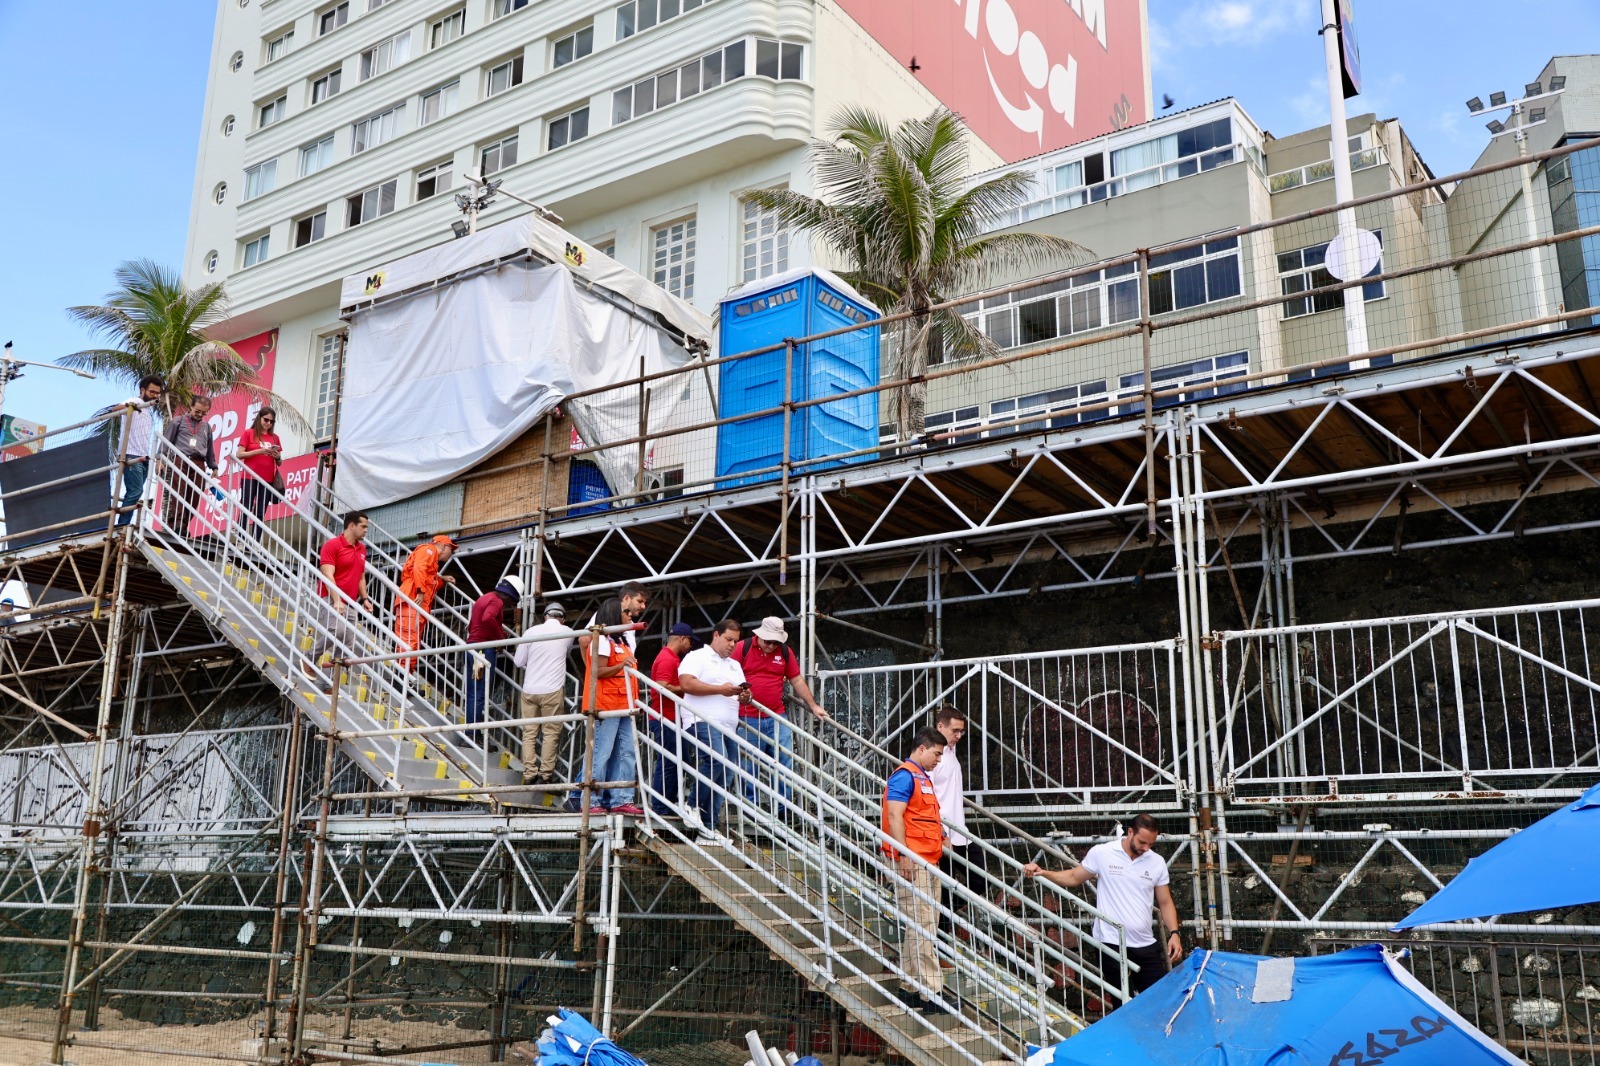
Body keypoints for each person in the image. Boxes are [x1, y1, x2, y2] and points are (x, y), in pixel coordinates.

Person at [1022, 814, 1183, 1000]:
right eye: (1142, 842)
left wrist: (1175, 934)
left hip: (1145, 943)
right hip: (1111, 941)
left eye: (1151, 844)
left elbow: (1165, 901)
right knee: (1123, 1002)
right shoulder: (1102, 852)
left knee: (1159, 1001)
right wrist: (1043, 873)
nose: (1146, 848)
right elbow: (1074, 877)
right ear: (1130, 832)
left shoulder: (1157, 862)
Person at [881, 727, 950, 1015]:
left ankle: (909, 987)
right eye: (936, 753)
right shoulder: (905, 775)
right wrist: (903, 856)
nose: (939, 760)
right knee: (922, 926)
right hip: (913, 861)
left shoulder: (921, 777)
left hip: (927, 860)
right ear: (921, 749)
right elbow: (894, 814)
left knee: (923, 926)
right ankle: (932, 992)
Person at [734, 617, 828, 815]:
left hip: (776, 715)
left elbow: (796, 680)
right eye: (767, 641)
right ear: (758, 635)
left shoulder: (785, 652)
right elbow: (726, 675)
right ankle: (751, 810)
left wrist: (813, 706)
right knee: (749, 764)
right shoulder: (742, 648)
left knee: (784, 761)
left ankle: (784, 810)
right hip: (746, 716)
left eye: (775, 642)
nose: (770, 645)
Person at [564, 597, 642, 816]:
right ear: (613, 615)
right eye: (626, 612)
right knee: (602, 753)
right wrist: (620, 665)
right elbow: (597, 671)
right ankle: (592, 801)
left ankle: (621, 799)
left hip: (625, 704)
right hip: (606, 705)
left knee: (626, 752)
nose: (630, 615)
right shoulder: (603, 641)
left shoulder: (622, 642)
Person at [677, 619, 748, 844]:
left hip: (728, 725)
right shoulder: (696, 656)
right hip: (701, 719)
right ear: (716, 635)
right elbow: (686, 684)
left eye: (735, 641)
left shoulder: (734, 665)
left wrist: (746, 696)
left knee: (726, 773)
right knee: (717, 762)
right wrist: (721, 690)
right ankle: (691, 805)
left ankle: (708, 828)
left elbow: (739, 691)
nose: (732, 645)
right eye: (728, 639)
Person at [304, 511, 373, 692]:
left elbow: (360, 577)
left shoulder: (362, 550)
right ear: (351, 525)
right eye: (363, 526)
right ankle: (310, 657)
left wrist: (365, 598)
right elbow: (328, 575)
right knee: (337, 630)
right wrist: (337, 601)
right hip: (331, 597)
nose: (366, 531)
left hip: (350, 601)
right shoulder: (332, 545)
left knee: (347, 646)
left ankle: (330, 686)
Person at [928, 704, 978, 949]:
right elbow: (927, 795)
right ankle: (940, 947)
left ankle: (942, 931)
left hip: (961, 832)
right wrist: (940, 831)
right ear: (940, 726)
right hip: (945, 832)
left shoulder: (950, 751)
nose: (959, 736)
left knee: (979, 881)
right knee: (945, 890)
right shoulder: (934, 756)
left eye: (962, 732)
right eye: (955, 730)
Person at [513, 602, 574, 789]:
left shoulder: (531, 632)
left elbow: (518, 661)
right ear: (562, 619)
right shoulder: (568, 633)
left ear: (546, 616)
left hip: (530, 688)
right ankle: (545, 775)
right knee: (550, 734)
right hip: (552, 690)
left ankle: (529, 773)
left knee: (529, 734)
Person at [465, 574, 523, 745]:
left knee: (473, 692)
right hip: (483, 650)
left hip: (472, 647)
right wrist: (499, 638)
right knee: (480, 694)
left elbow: (473, 625)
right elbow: (488, 618)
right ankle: (473, 733)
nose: (509, 604)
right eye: (512, 600)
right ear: (510, 593)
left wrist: (498, 632)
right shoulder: (496, 601)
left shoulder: (484, 598)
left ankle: (471, 731)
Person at [646, 622, 695, 813]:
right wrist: (687, 688)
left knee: (675, 762)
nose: (691, 645)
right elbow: (662, 686)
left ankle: (666, 803)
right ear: (682, 639)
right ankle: (660, 806)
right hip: (665, 717)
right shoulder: (668, 658)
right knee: (668, 763)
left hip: (669, 717)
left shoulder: (669, 657)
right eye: (690, 641)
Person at [394, 534, 457, 671]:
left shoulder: (432, 558)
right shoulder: (428, 550)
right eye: (451, 550)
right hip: (413, 600)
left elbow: (428, 580)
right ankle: (402, 676)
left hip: (415, 603)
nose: (450, 554)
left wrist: (442, 579)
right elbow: (419, 569)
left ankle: (407, 676)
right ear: (444, 546)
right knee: (409, 639)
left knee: (413, 641)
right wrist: (420, 592)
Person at [161, 392, 217, 537]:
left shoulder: (206, 427)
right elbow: (166, 442)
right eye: (197, 411)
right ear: (191, 406)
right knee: (178, 492)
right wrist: (160, 460)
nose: (200, 414)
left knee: (194, 496)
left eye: (203, 413)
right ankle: (176, 525)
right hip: (181, 459)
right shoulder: (178, 421)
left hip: (199, 463)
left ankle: (184, 526)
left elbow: (210, 448)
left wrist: (214, 467)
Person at [114, 375, 165, 527]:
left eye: (157, 393)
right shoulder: (136, 402)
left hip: (142, 457)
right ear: (142, 390)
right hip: (131, 454)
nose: (155, 395)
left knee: (136, 493)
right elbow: (116, 409)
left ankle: (123, 523)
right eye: (152, 392)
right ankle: (122, 525)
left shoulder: (147, 410)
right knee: (135, 491)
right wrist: (129, 407)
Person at [235, 407, 284, 529]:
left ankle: (255, 541)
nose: (268, 423)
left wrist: (277, 456)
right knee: (246, 506)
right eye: (266, 420)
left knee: (261, 511)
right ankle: (241, 536)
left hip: (267, 479)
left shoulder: (274, 437)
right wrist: (260, 451)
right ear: (259, 418)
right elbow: (239, 454)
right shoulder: (249, 433)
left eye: (271, 421)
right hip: (250, 476)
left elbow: (280, 463)